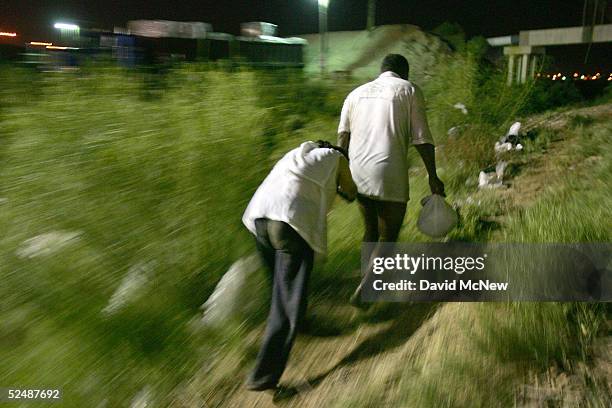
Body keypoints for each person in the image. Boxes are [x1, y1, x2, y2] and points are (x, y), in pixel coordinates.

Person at [242, 140, 357, 391]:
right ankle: (263, 376)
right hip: (289, 224)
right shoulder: (337, 158)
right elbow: (350, 191)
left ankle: (303, 325)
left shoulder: (296, 155)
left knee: (280, 290)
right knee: (285, 304)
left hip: (259, 219)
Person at [336, 54, 445, 304]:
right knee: (389, 236)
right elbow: (422, 139)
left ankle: (369, 282)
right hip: (388, 172)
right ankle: (369, 288)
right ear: (403, 73)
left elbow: (342, 137)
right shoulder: (409, 90)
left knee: (371, 230)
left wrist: (340, 175)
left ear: (381, 69)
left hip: (357, 173)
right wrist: (433, 176)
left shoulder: (355, 94)